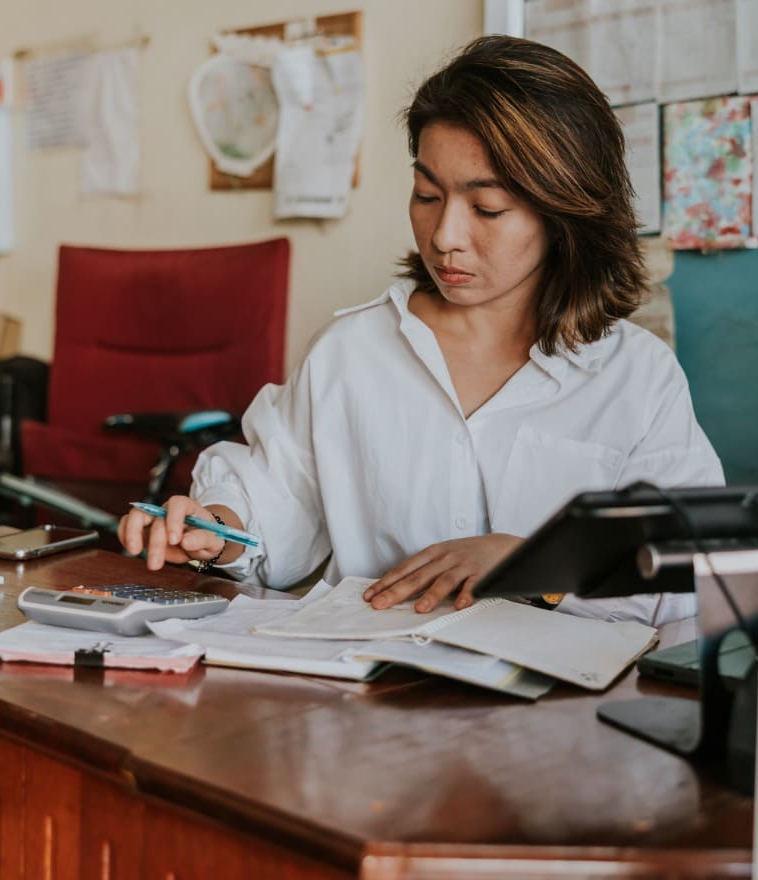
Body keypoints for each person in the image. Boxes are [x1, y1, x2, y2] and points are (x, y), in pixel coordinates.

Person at [119, 36, 722, 625]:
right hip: (369, 676)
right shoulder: (351, 352)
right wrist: (214, 530)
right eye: (427, 195)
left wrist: (530, 561)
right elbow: (273, 507)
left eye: (487, 208)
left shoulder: (636, 376)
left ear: (564, 210)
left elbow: (688, 576)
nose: (445, 236)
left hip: (557, 689)